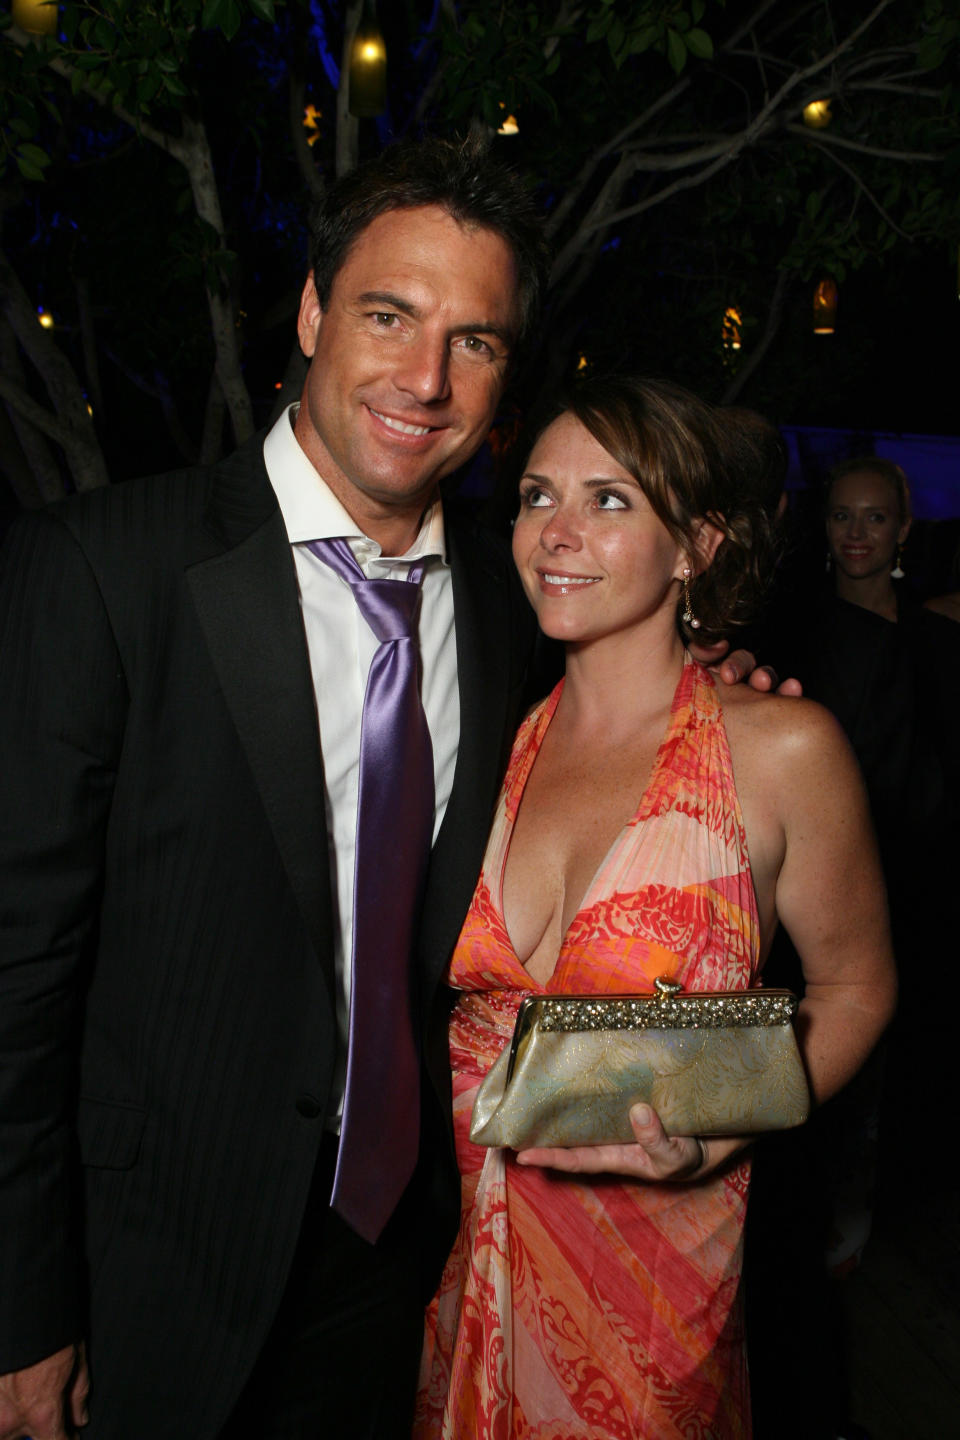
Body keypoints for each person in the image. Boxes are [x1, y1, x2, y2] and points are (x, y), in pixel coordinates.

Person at [0, 139, 776, 1440]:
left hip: (407, 1260)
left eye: (473, 341)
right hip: (147, 1267)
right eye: (388, 315)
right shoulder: (99, 570)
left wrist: (728, 687)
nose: (425, 379)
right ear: (310, 312)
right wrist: (22, 1307)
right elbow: (16, 973)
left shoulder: (517, 602)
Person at [414, 378, 896, 1439]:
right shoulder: (482, 735)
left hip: (651, 1303)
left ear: (697, 544)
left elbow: (859, 985)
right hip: (472, 1273)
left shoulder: (778, 750)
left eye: (611, 500)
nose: (559, 533)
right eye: (538, 496)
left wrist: (732, 1116)